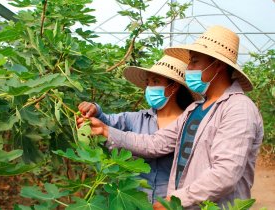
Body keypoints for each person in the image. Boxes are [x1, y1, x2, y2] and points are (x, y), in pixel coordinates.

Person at [78, 25, 264, 209]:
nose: (188, 68)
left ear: (218, 65)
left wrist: (176, 200)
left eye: (194, 61)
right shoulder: (195, 109)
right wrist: (105, 130)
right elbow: (155, 144)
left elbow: (225, 173)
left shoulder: (239, 108)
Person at [78, 55, 201, 203]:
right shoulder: (136, 118)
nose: (149, 88)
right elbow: (106, 121)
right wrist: (94, 109)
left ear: (174, 87)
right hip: (136, 200)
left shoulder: (190, 123)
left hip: (171, 203)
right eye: (148, 82)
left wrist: (105, 129)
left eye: (156, 82)